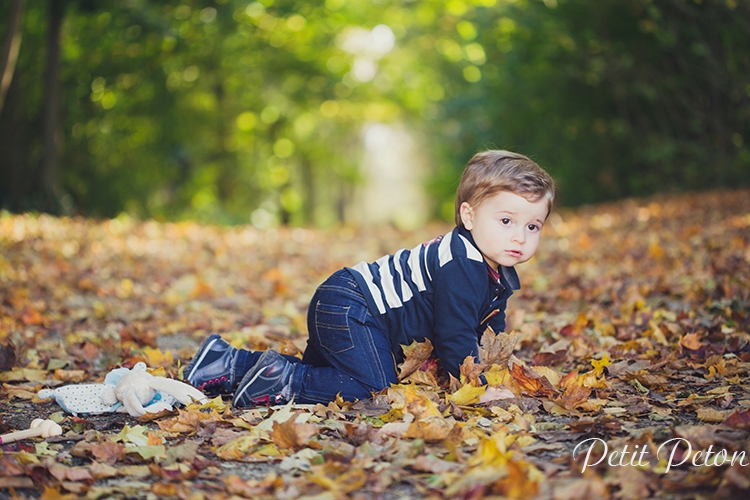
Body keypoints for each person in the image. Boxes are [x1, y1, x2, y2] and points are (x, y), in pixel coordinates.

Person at [184, 150, 555, 407]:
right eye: (506, 221)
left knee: (328, 374)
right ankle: (283, 383)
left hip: (347, 303)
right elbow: (456, 335)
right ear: (469, 216)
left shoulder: (493, 265)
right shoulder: (462, 265)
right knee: (371, 387)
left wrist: (498, 367)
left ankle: (225, 364)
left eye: (532, 225)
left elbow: (487, 328)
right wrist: (481, 387)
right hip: (352, 307)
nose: (519, 237)